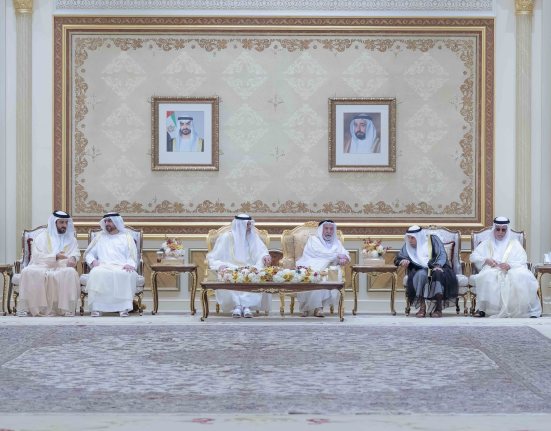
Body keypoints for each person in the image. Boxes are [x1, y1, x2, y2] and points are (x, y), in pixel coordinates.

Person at [469, 216, 541, 318]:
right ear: (494, 229)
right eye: (498, 229)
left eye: (503, 230)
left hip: (512, 269)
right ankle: (483, 309)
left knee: (522, 276)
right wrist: (486, 260)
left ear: (507, 230)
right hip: (493, 269)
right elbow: (473, 256)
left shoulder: (514, 243)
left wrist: (510, 265)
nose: (500, 232)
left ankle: (528, 310)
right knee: (487, 276)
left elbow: (522, 260)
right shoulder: (487, 243)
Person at [206, 214, 272, 318]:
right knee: (228, 276)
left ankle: (246, 307)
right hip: (231, 268)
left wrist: (265, 256)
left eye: (250, 224)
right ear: (240, 225)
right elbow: (214, 257)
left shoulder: (253, 236)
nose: (250, 227)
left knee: (253, 275)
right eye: (247, 225)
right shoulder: (226, 237)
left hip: (250, 268)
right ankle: (237, 306)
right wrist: (220, 265)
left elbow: (260, 251)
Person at [17, 211, 80, 317]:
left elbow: (76, 252)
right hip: (42, 265)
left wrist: (73, 258)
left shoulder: (71, 239)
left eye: (66, 222)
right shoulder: (41, 237)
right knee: (27, 271)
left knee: (71, 272)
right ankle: (27, 308)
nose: (64, 225)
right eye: (61, 222)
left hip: (61, 267)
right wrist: (55, 257)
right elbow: (36, 256)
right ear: (54, 223)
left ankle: (67, 309)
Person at [394, 225, 458, 318]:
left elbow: (441, 254)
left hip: (438, 267)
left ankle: (438, 308)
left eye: (412, 238)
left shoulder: (433, 239)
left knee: (438, 274)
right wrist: (402, 261)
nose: (410, 240)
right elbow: (399, 258)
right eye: (409, 238)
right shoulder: (408, 246)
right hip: (420, 269)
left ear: (418, 236)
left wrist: (438, 265)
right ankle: (422, 307)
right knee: (420, 274)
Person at [83, 212, 138, 317]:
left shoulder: (126, 237)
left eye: (110, 221)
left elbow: (132, 255)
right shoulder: (100, 237)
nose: (107, 223)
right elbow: (89, 254)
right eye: (106, 221)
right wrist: (93, 261)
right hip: (103, 266)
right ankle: (97, 308)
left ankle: (123, 308)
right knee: (96, 272)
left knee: (125, 274)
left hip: (121, 266)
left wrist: (129, 264)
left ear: (117, 222)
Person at [295, 220, 350, 317]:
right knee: (313, 276)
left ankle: (319, 308)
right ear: (321, 230)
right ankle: (305, 307)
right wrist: (336, 256)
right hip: (312, 265)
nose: (329, 231)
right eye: (326, 229)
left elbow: (345, 254)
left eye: (331, 229)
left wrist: (344, 258)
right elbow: (319, 254)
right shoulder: (313, 240)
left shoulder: (336, 242)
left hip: (330, 268)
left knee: (329, 275)